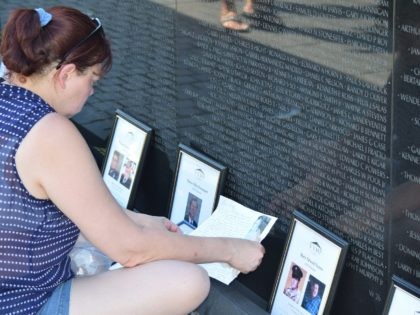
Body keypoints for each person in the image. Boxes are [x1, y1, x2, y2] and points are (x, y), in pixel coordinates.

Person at [0, 6, 265, 315]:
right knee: (186, 281)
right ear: (67, 74)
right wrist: (230, 250)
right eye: (93, 80)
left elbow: (32, 216)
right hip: (21, 303)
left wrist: (136, 220)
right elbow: (131, 250)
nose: (91, 93)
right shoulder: (49, 132)